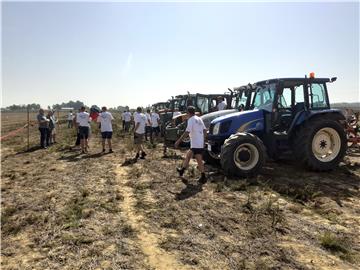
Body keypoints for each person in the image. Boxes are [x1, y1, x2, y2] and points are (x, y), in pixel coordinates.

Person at [175, 106, 207, 183]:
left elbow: (187, 131)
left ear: (188, 112)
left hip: (195, 143)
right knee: (189, 156)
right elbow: (205, 130)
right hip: (198, 142)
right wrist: (203, 140)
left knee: (199, 160)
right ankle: (182, 171)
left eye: (186, 113)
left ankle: (203, 177)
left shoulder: (191, 120)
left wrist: (178, 141)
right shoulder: (199, 119)